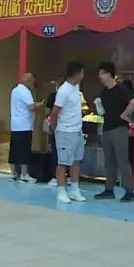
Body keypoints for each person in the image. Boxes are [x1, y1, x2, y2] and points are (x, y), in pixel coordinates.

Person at [94, 62, 134, 202]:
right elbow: (103, 112)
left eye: (101, 73)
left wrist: (124, 115)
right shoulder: (104, 92)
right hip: (107, 128)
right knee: (109, 161)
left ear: (109, 74)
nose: (99, 76)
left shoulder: (121, 89)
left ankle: (129, 191)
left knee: (122, 160)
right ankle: (109, 189)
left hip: (119, 129)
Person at [52, 62, 88, 204]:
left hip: (77, 130)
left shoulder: (76, 88)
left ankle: (74, 189)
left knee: (76, 161)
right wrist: (54, 127)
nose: (83, 76)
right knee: (63, 163)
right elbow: (55, 111)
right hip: (65, 131)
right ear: (77, 74)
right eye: (82, 73)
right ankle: (61, 192)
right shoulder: (63, 90)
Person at [10, 73, 44, 182]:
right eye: (33, 82)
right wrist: (40, 104)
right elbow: (31, 107)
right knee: (24, 151)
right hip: (24, 125)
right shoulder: (25, 92)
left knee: (14, 150)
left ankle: (13, 174)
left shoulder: (15, 90)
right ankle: (24, 175)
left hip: (15, 125)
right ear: (29, 81)